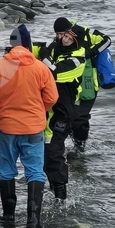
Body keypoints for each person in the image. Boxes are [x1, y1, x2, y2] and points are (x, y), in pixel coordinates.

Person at [0, 24, 58, 228]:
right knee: (35, 171)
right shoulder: (41, 68)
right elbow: (52, 98)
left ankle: (8, 216)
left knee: (6, 169)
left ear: (11, 45)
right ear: (29, 45)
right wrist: (38, 112)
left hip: (6, 128)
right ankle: (33, 222)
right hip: (33, 128)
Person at [39, 22, 90, 202]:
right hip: (47, 109)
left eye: (70, 38)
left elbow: (53, 72)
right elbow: (36, 48)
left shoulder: (78, 61)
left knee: (53, 151)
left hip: (62, 112)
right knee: (44, 152)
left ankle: (61, 198)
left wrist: (44, 55)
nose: (65, 40)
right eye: (65, 36)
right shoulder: (56, 48)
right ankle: (53, 189)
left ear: (77, 42)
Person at [52, 17, 113, 155]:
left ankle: (80, 148)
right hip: (69, 83)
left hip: (88, 82)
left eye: (63, 34)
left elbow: (107, 40)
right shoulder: (60, 42)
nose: (61, 38)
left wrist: (91, 52)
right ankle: (71, 146)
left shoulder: (86, 33)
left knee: (80, 118)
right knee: (66, 115)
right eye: (58, 35)